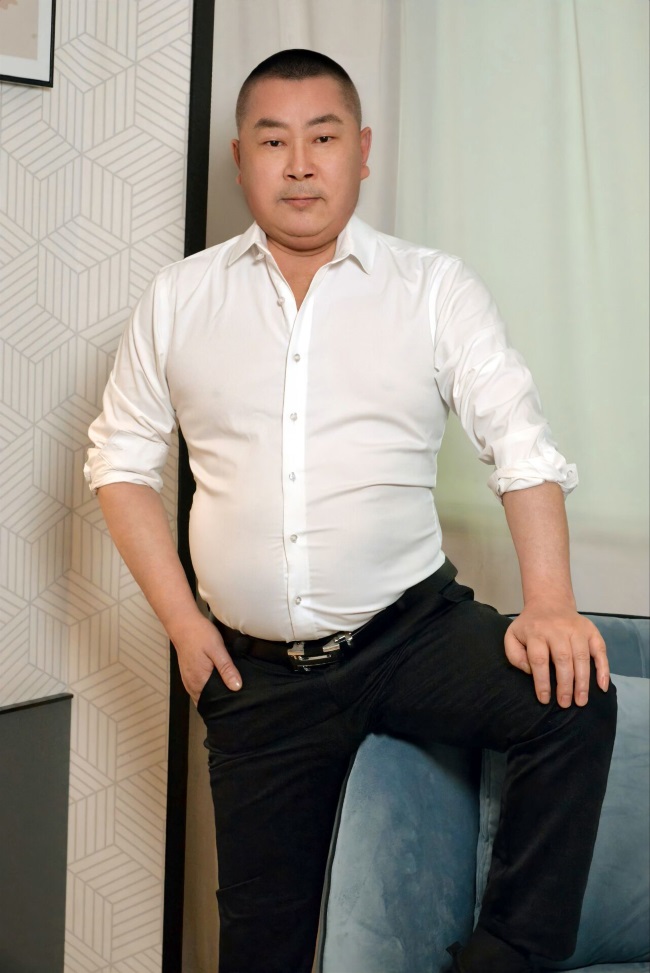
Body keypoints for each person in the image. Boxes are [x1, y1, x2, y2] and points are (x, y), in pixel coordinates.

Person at [85, 49, 616, 973]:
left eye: (323, 138)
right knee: (262, 950)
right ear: (241, 158)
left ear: (362, 151)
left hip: (408, 637)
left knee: (573, 699)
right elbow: (121, 462)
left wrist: (551, 602)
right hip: (256, 679)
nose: (300, 165)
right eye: (273, 141)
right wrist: (183, 624)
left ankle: (505, 958)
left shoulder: (433, 287)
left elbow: (520, 444)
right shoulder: (180, 298)